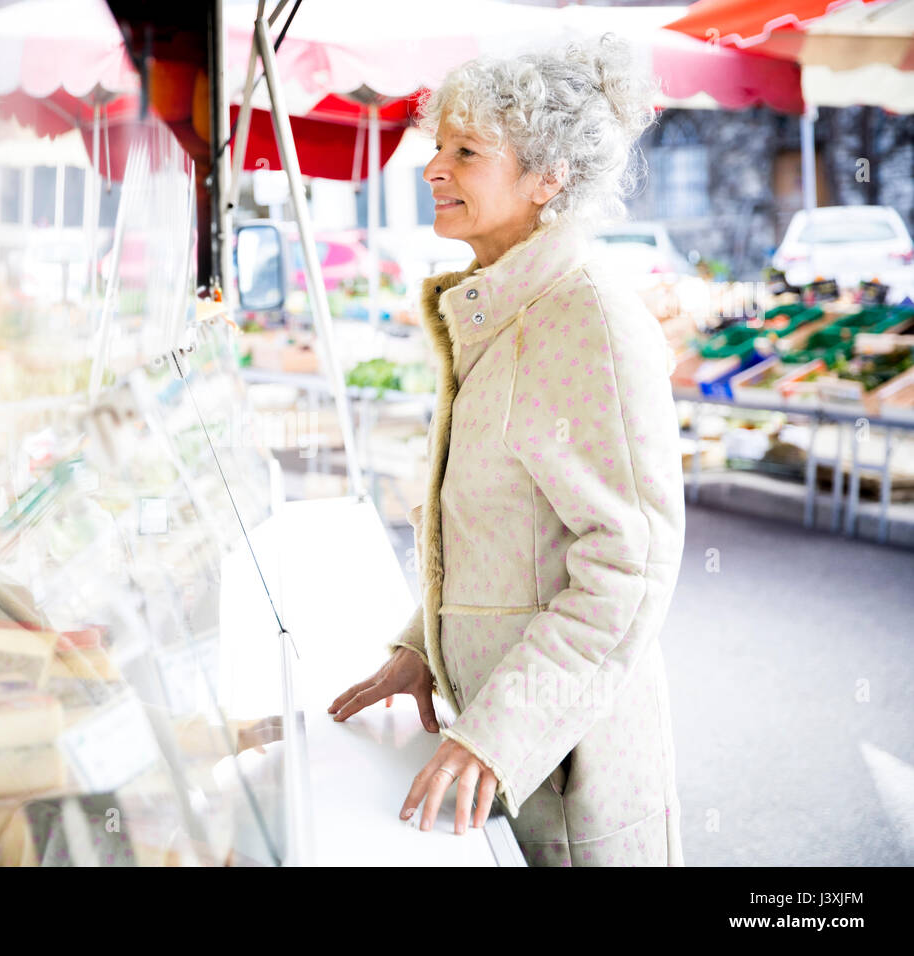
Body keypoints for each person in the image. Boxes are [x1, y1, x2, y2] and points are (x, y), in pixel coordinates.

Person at [328, 33, 686, 866]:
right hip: (499, 751)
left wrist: (498, 735)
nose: (433, 169)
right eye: (436, 146)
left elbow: (629, 569)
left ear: (547, 178)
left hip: (567, 765)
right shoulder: (501, 308)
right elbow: (501, 536)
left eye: (467, 151)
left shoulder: (588, 315)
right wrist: (423, 646)